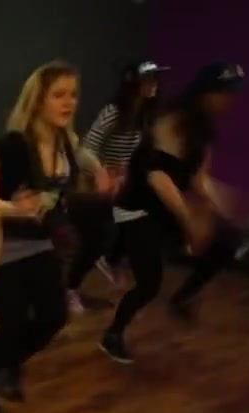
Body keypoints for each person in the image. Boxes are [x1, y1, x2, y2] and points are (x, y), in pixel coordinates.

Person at [0, 61, 113, 413]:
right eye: (58, 95)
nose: (69, 102)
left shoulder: (65, 143)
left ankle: (8, 363)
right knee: (13, 321)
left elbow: (81, 156)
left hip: (38, 244)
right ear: (38, 101)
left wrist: (98, 172)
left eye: (73, 94)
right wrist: (16, 209)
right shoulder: (14, 146)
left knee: (53, 316)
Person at [99, 62, 246, 364]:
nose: (229, 101)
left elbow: (198, 179)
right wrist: (189, 221)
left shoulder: (205, 130)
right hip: (138, 207)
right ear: (206, 93)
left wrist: (222, 206)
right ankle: (113, 334)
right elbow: (158, 177)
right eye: (224, 93)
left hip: (164, 206)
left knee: (229, 239)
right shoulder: (173, 119)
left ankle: (183, 298)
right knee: (149, 282)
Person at [65, 60, 168, 312]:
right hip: (88, 186)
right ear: (132, 84)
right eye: (148, 79)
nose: (154, 84)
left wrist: (122, 173)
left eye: (155, 79)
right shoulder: (113, 112)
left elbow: (127, 154)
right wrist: (100, 172)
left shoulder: (142, 116)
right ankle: (70, 290)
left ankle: (108, 259)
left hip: (113, 186)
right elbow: (85, 150)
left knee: (136, 222)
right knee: (97, 240)